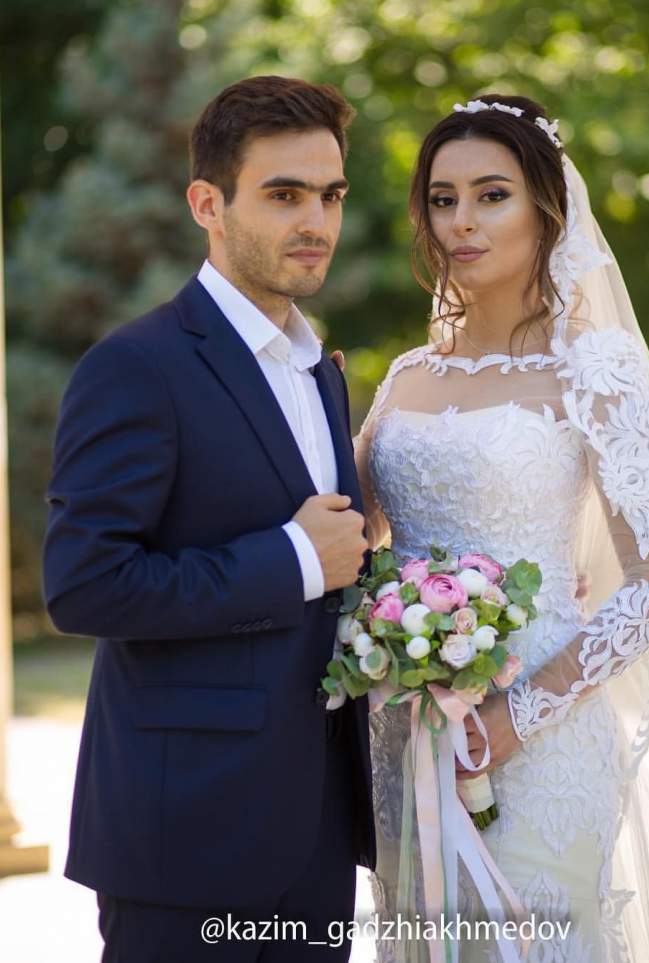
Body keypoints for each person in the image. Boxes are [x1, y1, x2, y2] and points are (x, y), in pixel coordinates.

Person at [354, 95, 649, 962]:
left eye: (492, 195)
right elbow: (354, 540)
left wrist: (514, 716)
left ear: (547, 209)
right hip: (410, 746)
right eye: (443, 199)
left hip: (541, 742)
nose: (461, 220)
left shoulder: (593, 366)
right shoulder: (407, 376)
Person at [42, 75, 374, 962]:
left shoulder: (320, 371)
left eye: (331, 195)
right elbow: (84, 585)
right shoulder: (135, 367)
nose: (317, 221)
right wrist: (293, 559)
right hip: (184, 834)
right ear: (207, 204)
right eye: (284, 195)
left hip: (317, 833)